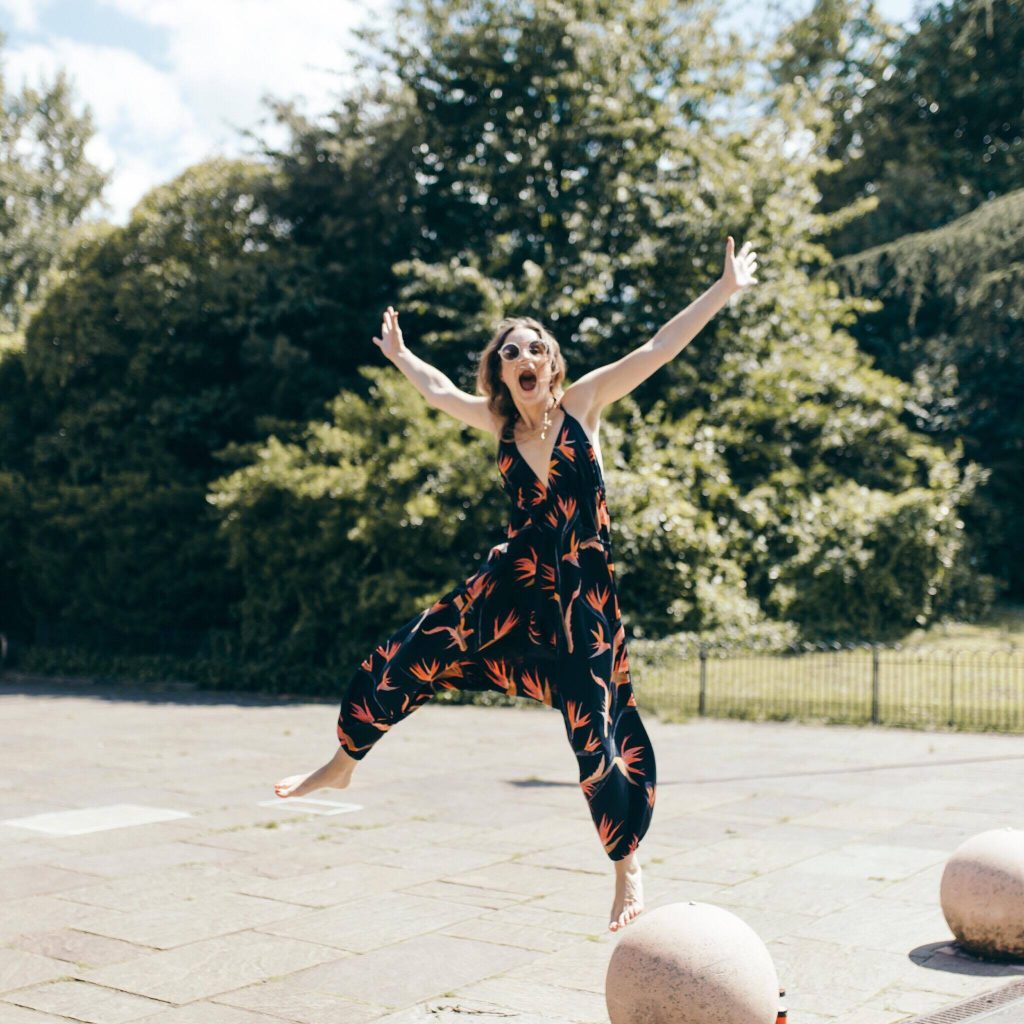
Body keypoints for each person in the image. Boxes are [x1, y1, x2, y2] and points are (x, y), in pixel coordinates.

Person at [276, 237, 759, 931]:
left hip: (584, 597)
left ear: (552, 361)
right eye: (510, 352)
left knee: (593, 722)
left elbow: (657, 348)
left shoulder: (584, 405)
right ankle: (345, 759)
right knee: (421, 644)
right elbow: (439, 391)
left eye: (535, 348)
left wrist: (722, 290)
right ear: (499, 374)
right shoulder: (498, 422)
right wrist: (400, 355)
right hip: (517, 581)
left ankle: (627, 868)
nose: (524, 358)